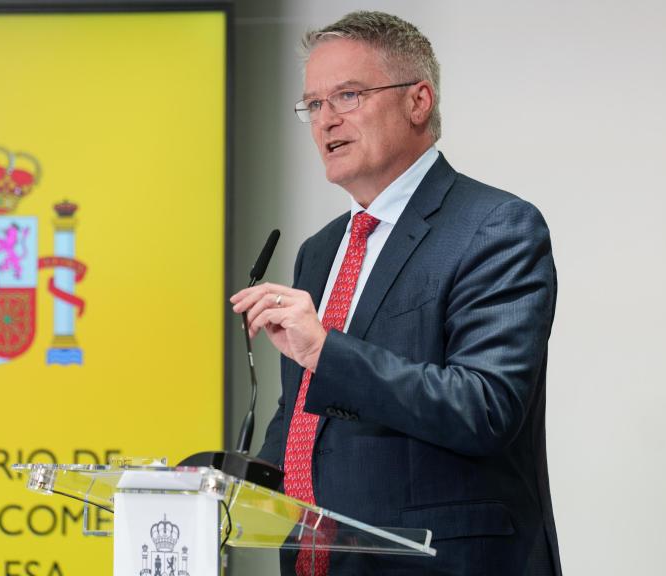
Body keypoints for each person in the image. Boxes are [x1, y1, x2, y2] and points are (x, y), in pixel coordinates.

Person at [231, 11, 561, 576]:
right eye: (313, 105)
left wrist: (324, 349)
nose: (326, 121)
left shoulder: (495, 227)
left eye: (348, 96)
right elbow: (306, 420)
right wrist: (219, 487)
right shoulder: (320, 250)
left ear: (418, 101)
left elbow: (485, 407)